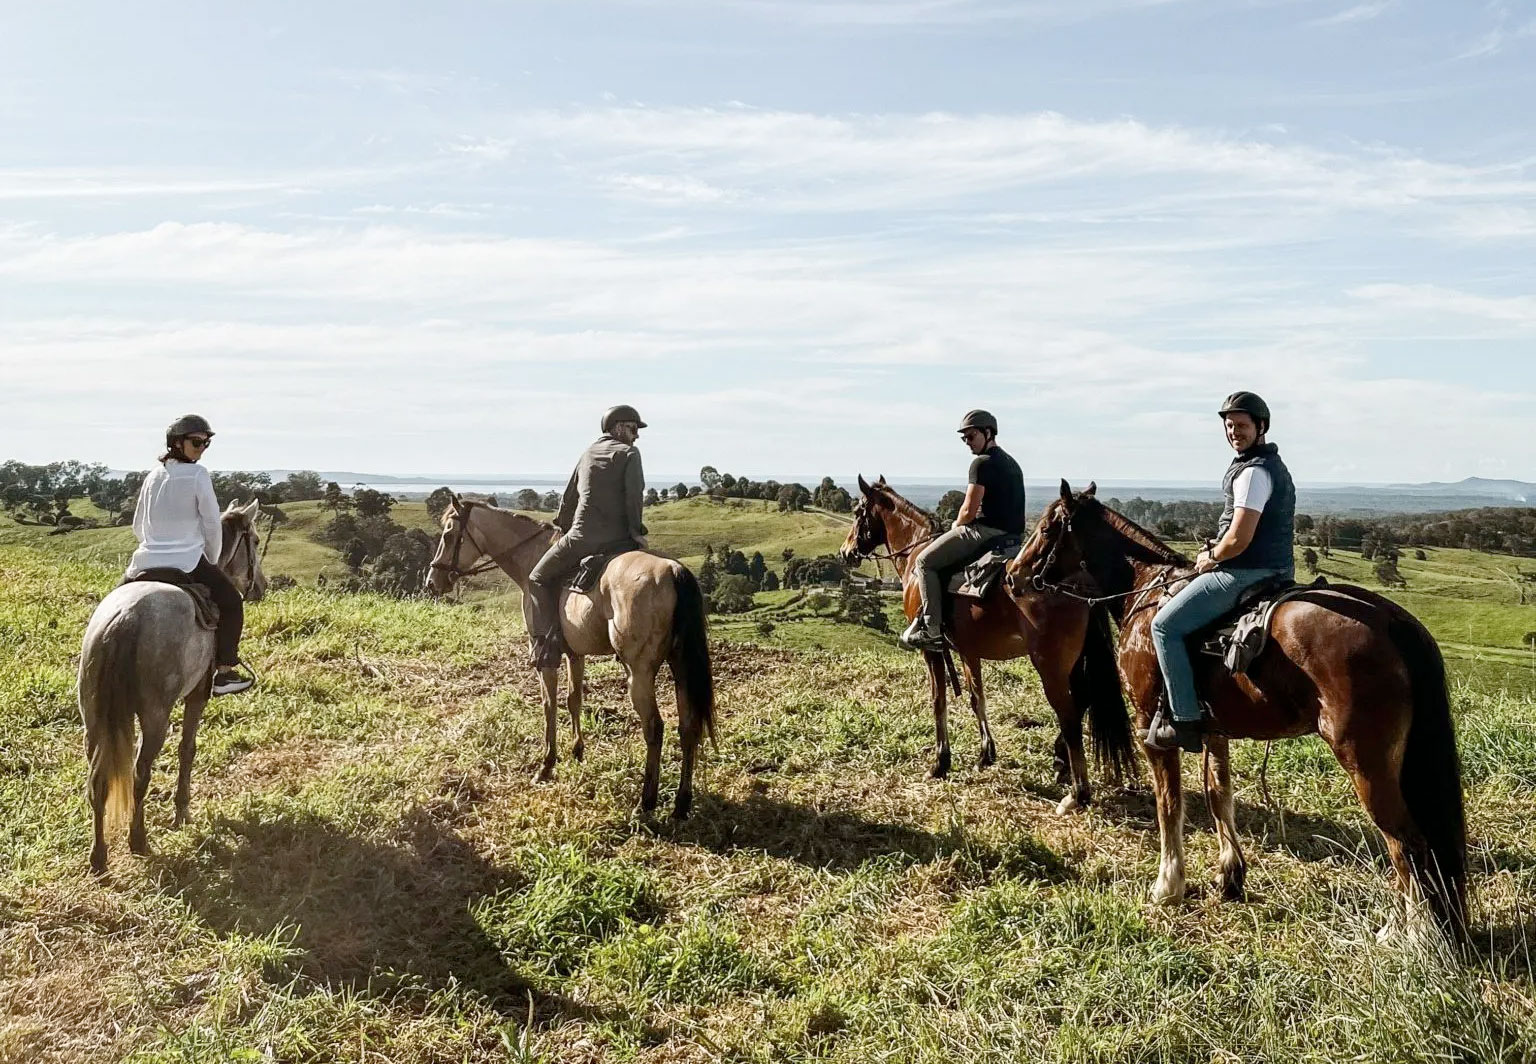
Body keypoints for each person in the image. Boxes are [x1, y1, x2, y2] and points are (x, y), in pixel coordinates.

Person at [1145, 391, 1296, 752]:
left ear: (1261, 427)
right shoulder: (1267, 465)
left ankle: (1184, 719)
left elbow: (1240, 538)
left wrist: (1211, 555)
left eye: (1241, 425)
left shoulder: (1253, 472)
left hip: (1245, 571)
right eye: (1229, 425)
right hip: (1274, 568)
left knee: (1163, 626)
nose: (1234, 432)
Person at [124, 415, 254, 696]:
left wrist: (153, 545)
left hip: (144, 561)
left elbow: (137, 525)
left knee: (112, 605)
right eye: (197, 442)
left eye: (206, 443)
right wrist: (211, 557)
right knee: (232, 603)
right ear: (176, 443)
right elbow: (211, 523)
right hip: (187, 562)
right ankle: (225, 672)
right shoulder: (198, 475)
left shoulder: (152, 476)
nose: (202, 448)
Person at [526, 405, 651, 668]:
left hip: (581, 538)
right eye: (633, 428)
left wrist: (563, 525)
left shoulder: (586, 454)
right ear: (617, 428)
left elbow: (569, 498)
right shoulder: (630, 453)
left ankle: (546, 644)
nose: (636, 435)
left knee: (537, 578)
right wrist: (636, 535)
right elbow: (633, 498)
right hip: (620, 542)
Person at [899, 409, 1027, 650]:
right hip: (1013, 537)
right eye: (964, 439)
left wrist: (955, 526)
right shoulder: (1012, 462)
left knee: (924, 562)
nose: (967, 443)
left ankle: (932, 629)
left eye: (971, 436)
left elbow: (968, 510)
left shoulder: (981, 463)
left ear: (988, 433)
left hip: (984, 532)